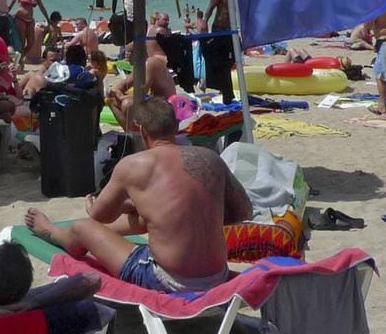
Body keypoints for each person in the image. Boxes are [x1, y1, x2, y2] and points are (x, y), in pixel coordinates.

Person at [23, 98, 248, 292]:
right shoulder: (210, 158)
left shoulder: (134, 165)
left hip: (168, 280)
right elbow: (244, 210)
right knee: (149, 217)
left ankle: (52, 232)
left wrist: (94, 206)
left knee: (84, 227)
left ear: (141, 130)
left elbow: (100, 217)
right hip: (217, 274)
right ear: (176, 126)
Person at [107, 33, 176, 117]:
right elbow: (124, 84)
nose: (126, 56)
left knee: (128, 104)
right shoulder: (141, 65)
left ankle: (131, 129)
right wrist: (117, 91)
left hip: (166, 107)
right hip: (156, 102)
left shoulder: (149, 64)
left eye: (130, 52)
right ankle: (131, 128)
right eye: (126, 52)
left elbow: (140, 94)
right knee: (113, 100)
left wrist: (120, 97)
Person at [200, 0, 235, 104]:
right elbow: (210, 8)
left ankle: (226, 90)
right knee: (221, 62)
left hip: (230, 30)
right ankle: (226, 92)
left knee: (231, 60)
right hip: (219, 29)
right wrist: (204, 23)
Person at [11, 0, 45, 65]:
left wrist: (48, 19)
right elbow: (12, 2)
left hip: (30, 20)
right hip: (20, 18)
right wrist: (6, 13)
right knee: (21, 42)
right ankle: (19, 62)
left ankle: (20, 57)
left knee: (31, 42)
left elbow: (41, 7)